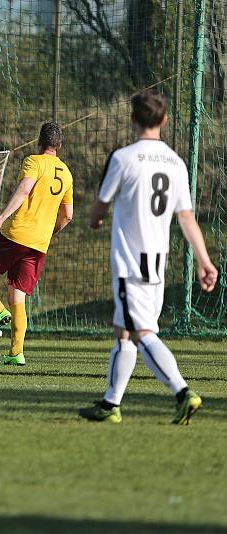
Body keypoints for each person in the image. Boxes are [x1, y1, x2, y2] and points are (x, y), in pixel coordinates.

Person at [79, 90, 218, 425]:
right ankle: (111, 403)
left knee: (141, 333)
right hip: (157, 262)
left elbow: (100, 205)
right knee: (123, 329)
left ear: (133, 119)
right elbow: (185, 217)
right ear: (164, 120)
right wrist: (204, 260)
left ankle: (183, 392)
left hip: (130, 263)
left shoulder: (124, 158)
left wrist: (95, 220)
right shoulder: (176, 162)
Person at [0, 122, 74, 365]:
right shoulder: (66, 173)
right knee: (18, 295)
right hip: (39, 244)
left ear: (39, 141)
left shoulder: (34, 162)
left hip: (18, 234)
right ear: (59, 144)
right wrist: (48, 233)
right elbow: (68, 215)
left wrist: (1, 218)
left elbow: (25, 190)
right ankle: (16, 353)